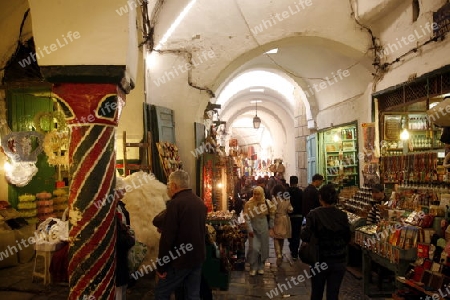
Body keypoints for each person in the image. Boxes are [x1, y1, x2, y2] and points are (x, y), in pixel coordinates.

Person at [154, 170, 207, 300]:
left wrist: (161, 266)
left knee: (161, 292)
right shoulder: (199, 202)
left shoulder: (175, 204)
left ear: (174, 186)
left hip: (180, 260)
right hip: (197, 257)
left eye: (168, 185)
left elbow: (167, 239)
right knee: (192, 294)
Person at [301, 184, 351, 300]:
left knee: (317, 293)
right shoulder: (342, 215)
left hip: (319, 259)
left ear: (320, 198)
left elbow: (305, 236)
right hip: (339, 260)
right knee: (333, 294)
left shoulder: (314, 214)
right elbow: (347, 237)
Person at [243, 186, 275, 276]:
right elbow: (247, 217)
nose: (256, 196)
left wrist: (271, 226)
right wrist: (249, 229)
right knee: (254, 248)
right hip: (253, 229)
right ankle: (253, 267)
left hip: (264, 228)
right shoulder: (249, 204)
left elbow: (272, 214)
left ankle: (261, 267)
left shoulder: (267, 203)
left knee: (263, 248)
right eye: (255, 194)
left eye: (258, 194)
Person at [116, 188, 135, 300]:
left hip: (123, 251)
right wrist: (130, 240)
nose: (124, 192)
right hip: (119, 251)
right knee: (119, 285)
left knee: (122, 285)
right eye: (122, 190)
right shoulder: (112, 210)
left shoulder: (120, 205)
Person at [270, 184, 293, 266]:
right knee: (282, 238)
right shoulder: (287, 198)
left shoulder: (275, 199)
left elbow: (273, 209)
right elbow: (290, 209)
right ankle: (280, 252)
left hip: (277, 218)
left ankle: (278, 254)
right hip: (285, 219)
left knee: (276, 237)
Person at [287, 176, 303, 261]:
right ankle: (295, 253)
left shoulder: (286, 192)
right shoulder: (300, 192)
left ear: (290, 182)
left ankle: (291, 246)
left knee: (290, 233)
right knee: (297, 234)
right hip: (299, 216)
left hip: (289, 216)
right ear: (297, 182)